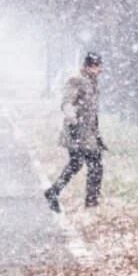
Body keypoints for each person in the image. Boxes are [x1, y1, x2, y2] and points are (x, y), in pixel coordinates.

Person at [45, 52, 105, 211]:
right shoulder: (76, 80)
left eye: (100, 66)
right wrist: (73, 120)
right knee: (94, 165)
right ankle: (91, 203)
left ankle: (54, 192)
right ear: (87, 66)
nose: (100, 70)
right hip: (77, 132)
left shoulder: (93, 82)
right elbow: (66, 103)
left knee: (79, 164)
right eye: (97, 66)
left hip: (89, 133)